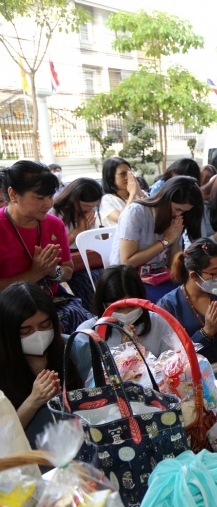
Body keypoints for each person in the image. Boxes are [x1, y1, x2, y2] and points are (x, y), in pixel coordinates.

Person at [0, 161, 93, 333]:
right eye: (40, 198)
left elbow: (67, 271)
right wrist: (34, 274)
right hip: (9, 308)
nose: (48, 204)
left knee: (87, 329)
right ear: (13, 194)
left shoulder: (54, 225)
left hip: (50, 302)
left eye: (50, 196)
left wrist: (52, 271)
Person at [0, 282, 90, 447]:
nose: (38, 335)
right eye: (25, 331)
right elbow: (4, 439)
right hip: (28, 455)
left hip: (80, 445)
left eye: (44, 325)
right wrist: (33, 402)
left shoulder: (76, 350)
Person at [157, 239, 217, 364]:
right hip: (192, 371)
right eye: (214, 273)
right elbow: (170, 357)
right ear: (193, 276)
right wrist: (205, 333)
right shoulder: (169, 306)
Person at [76, 264, 175, 357]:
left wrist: (141, 354)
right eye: (117, 309)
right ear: (103, 305)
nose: (125, 314)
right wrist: (123, 356)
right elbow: (86, 369)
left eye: (132, 306)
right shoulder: (87, 334)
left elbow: (174, 364)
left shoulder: (159, 324)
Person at [110, 176, 203, 270]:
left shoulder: (175, 218)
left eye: (184, 212)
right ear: (166, 198)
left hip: (157, 273)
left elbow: (172, 265)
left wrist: (174, 240)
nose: (179, 214)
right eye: (177, 209)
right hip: (126, 274)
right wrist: (165, 242)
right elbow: (127, 262)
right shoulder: (136, 212)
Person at [49, 178, 104, 312]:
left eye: (93, 206)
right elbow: (56, 248)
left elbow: (94, 240)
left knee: (106, 276)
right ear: (73, 199)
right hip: (66, 259)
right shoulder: (54, 213)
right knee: (88, 282)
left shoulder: (89, 213)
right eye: (85, 206)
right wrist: (77, 231)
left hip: (87, 256)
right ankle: (93, 314)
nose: (89, 209)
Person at [99, 157, 147, 227]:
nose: (127, 177)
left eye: (129, 173)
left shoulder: (140, 193)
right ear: (111, 177)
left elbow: (153, 213)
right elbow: (122, 220)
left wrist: (139, 192)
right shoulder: (106, 200)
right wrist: (132, 195)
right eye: (122, 174)